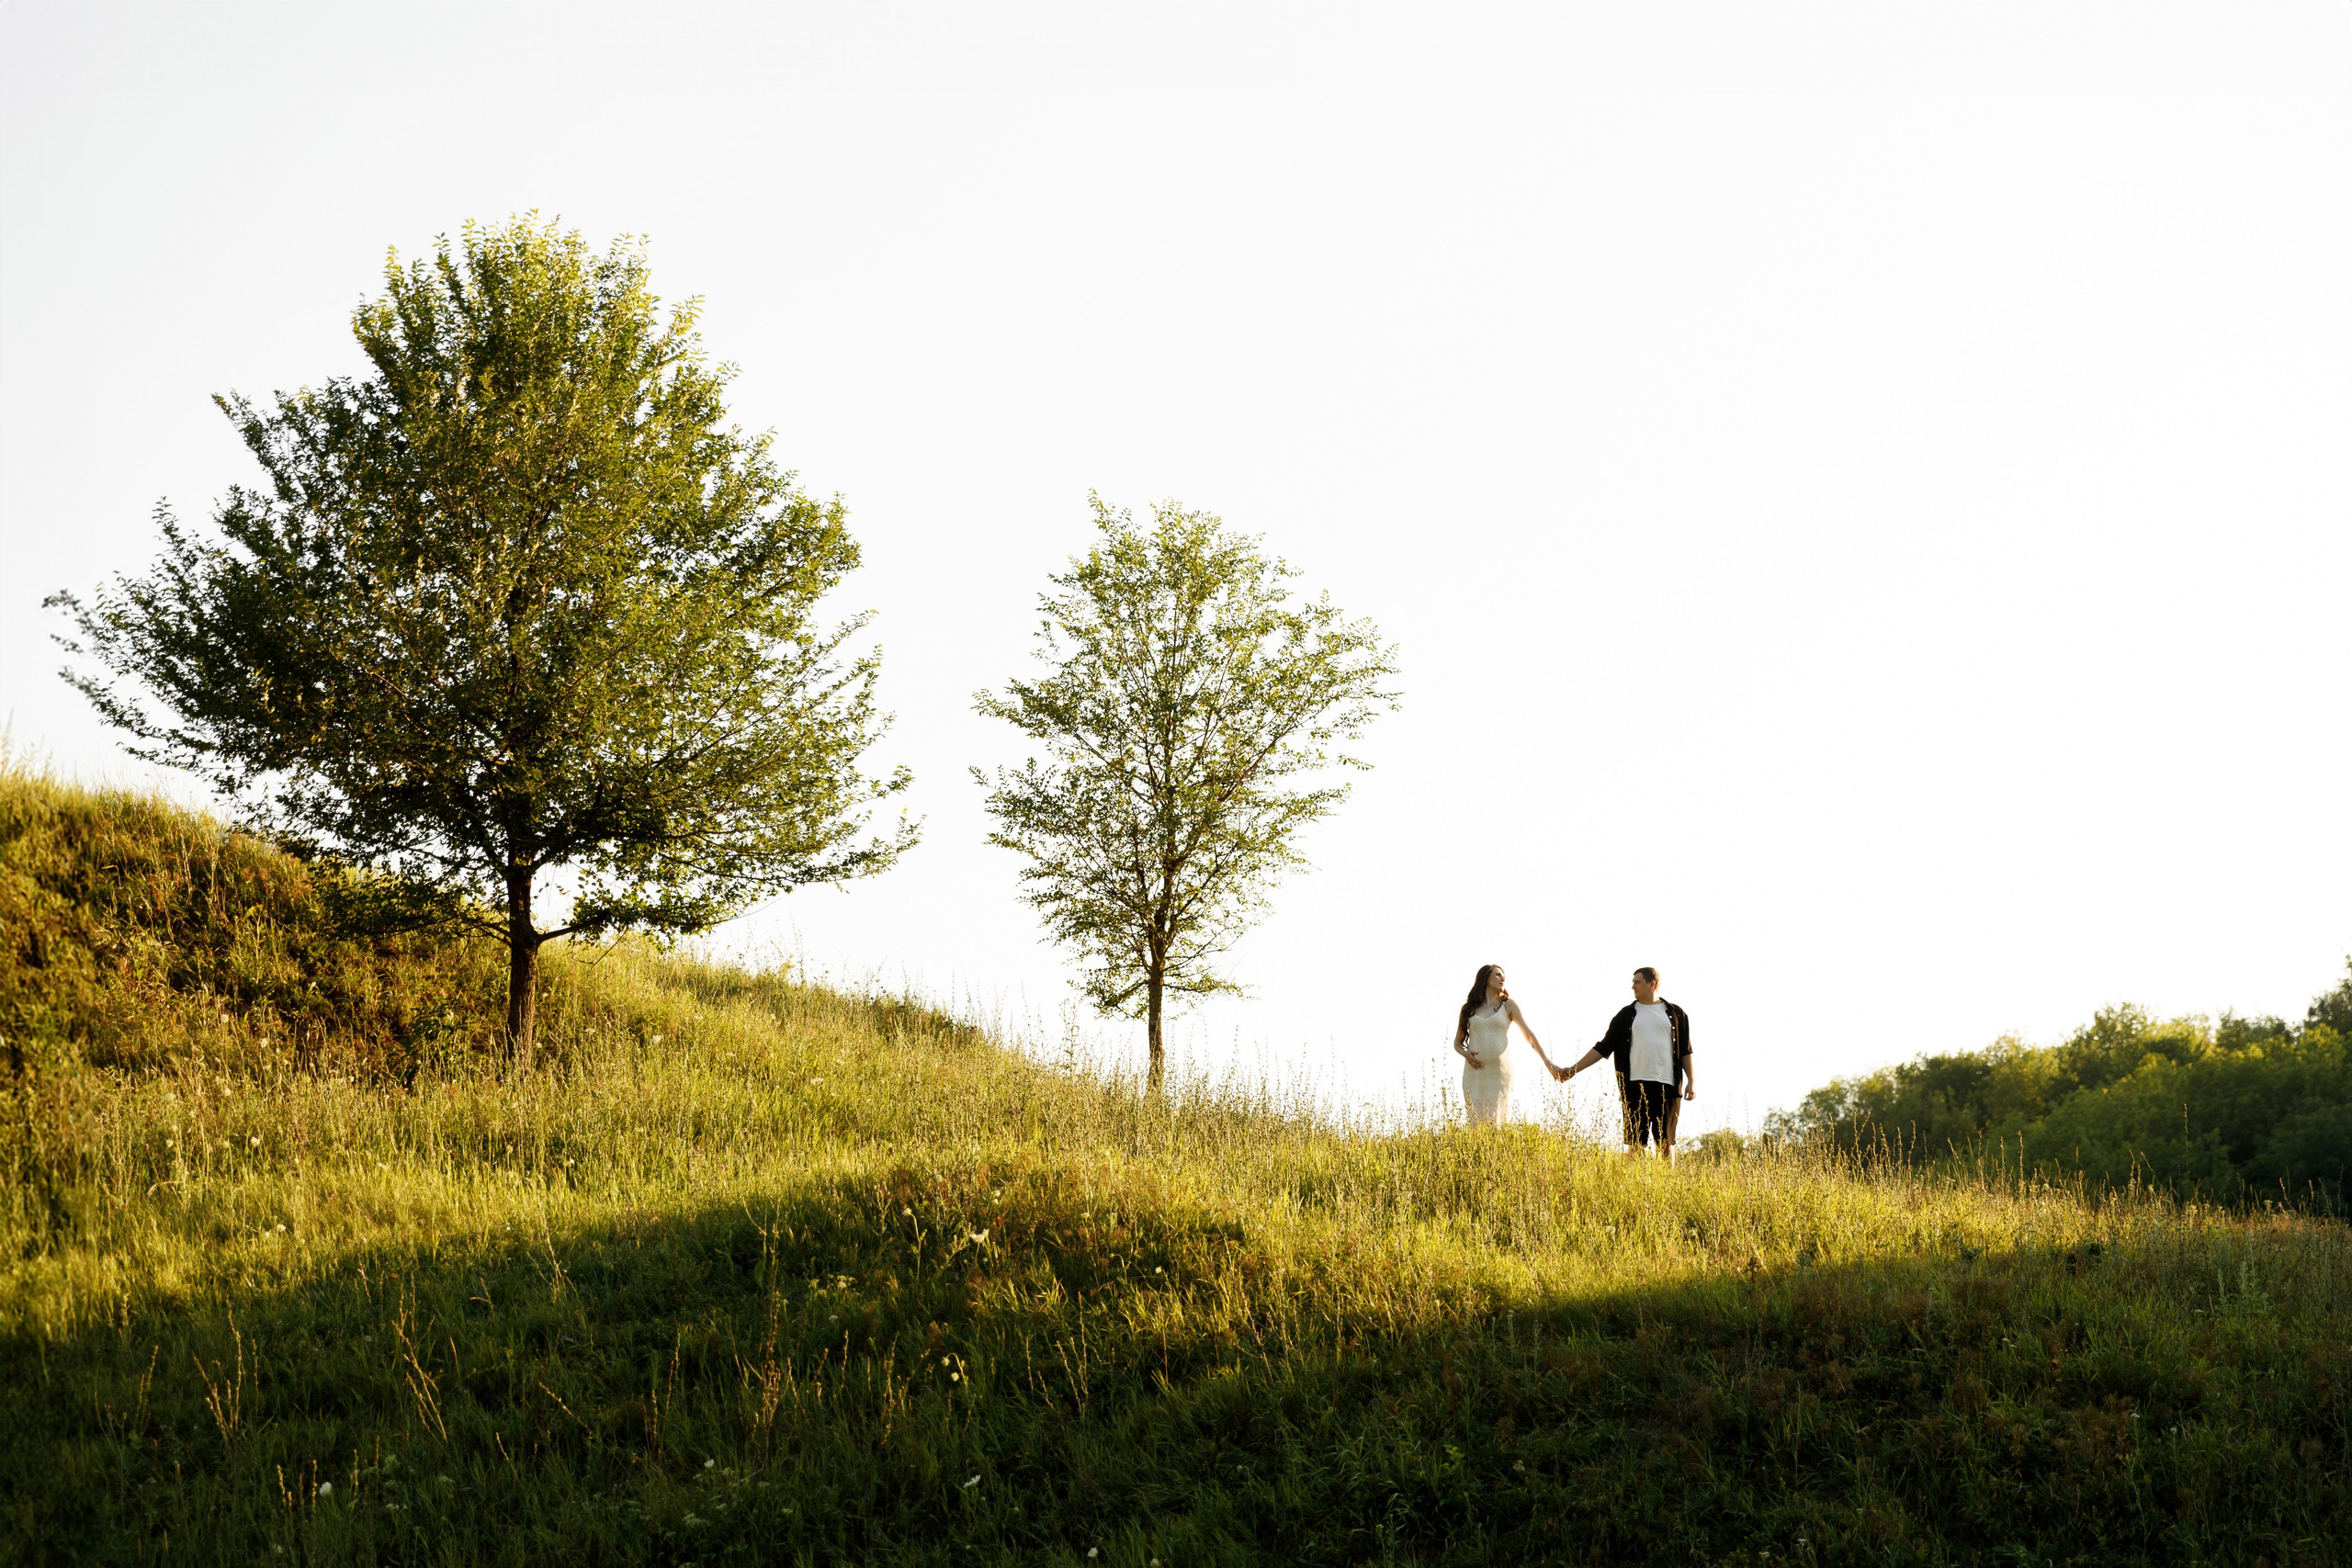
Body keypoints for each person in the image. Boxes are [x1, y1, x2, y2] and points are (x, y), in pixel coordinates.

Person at [1554, 966, 1693, 1157]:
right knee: (1636, 1144)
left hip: (1667, 1086)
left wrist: (1691, 1081)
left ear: (1651, 984)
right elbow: (1603, 1047)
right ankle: (1632, 1185)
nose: (1632, 986)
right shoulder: (1625, 1015)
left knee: (1665, 1143)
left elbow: (1685, 1051)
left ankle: (1668, 1185)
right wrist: (1573, 1069)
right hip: (1634, 1086)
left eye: (1637, 982)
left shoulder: (1676, 1014)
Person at [1452, 963, 1564, 1126]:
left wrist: (1548, 1062)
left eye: (1503, 975)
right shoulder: (1468, 1009)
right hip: (1474, 1074)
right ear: (1485, 978)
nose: (1502, 978)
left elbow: (1529, 1036)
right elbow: (1457, 1043)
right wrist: (1465, 1053)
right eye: (1497, 974)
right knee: (1475, 1124)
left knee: (1496, 1123)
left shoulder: (1508, 1005)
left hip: (1499, 1073)